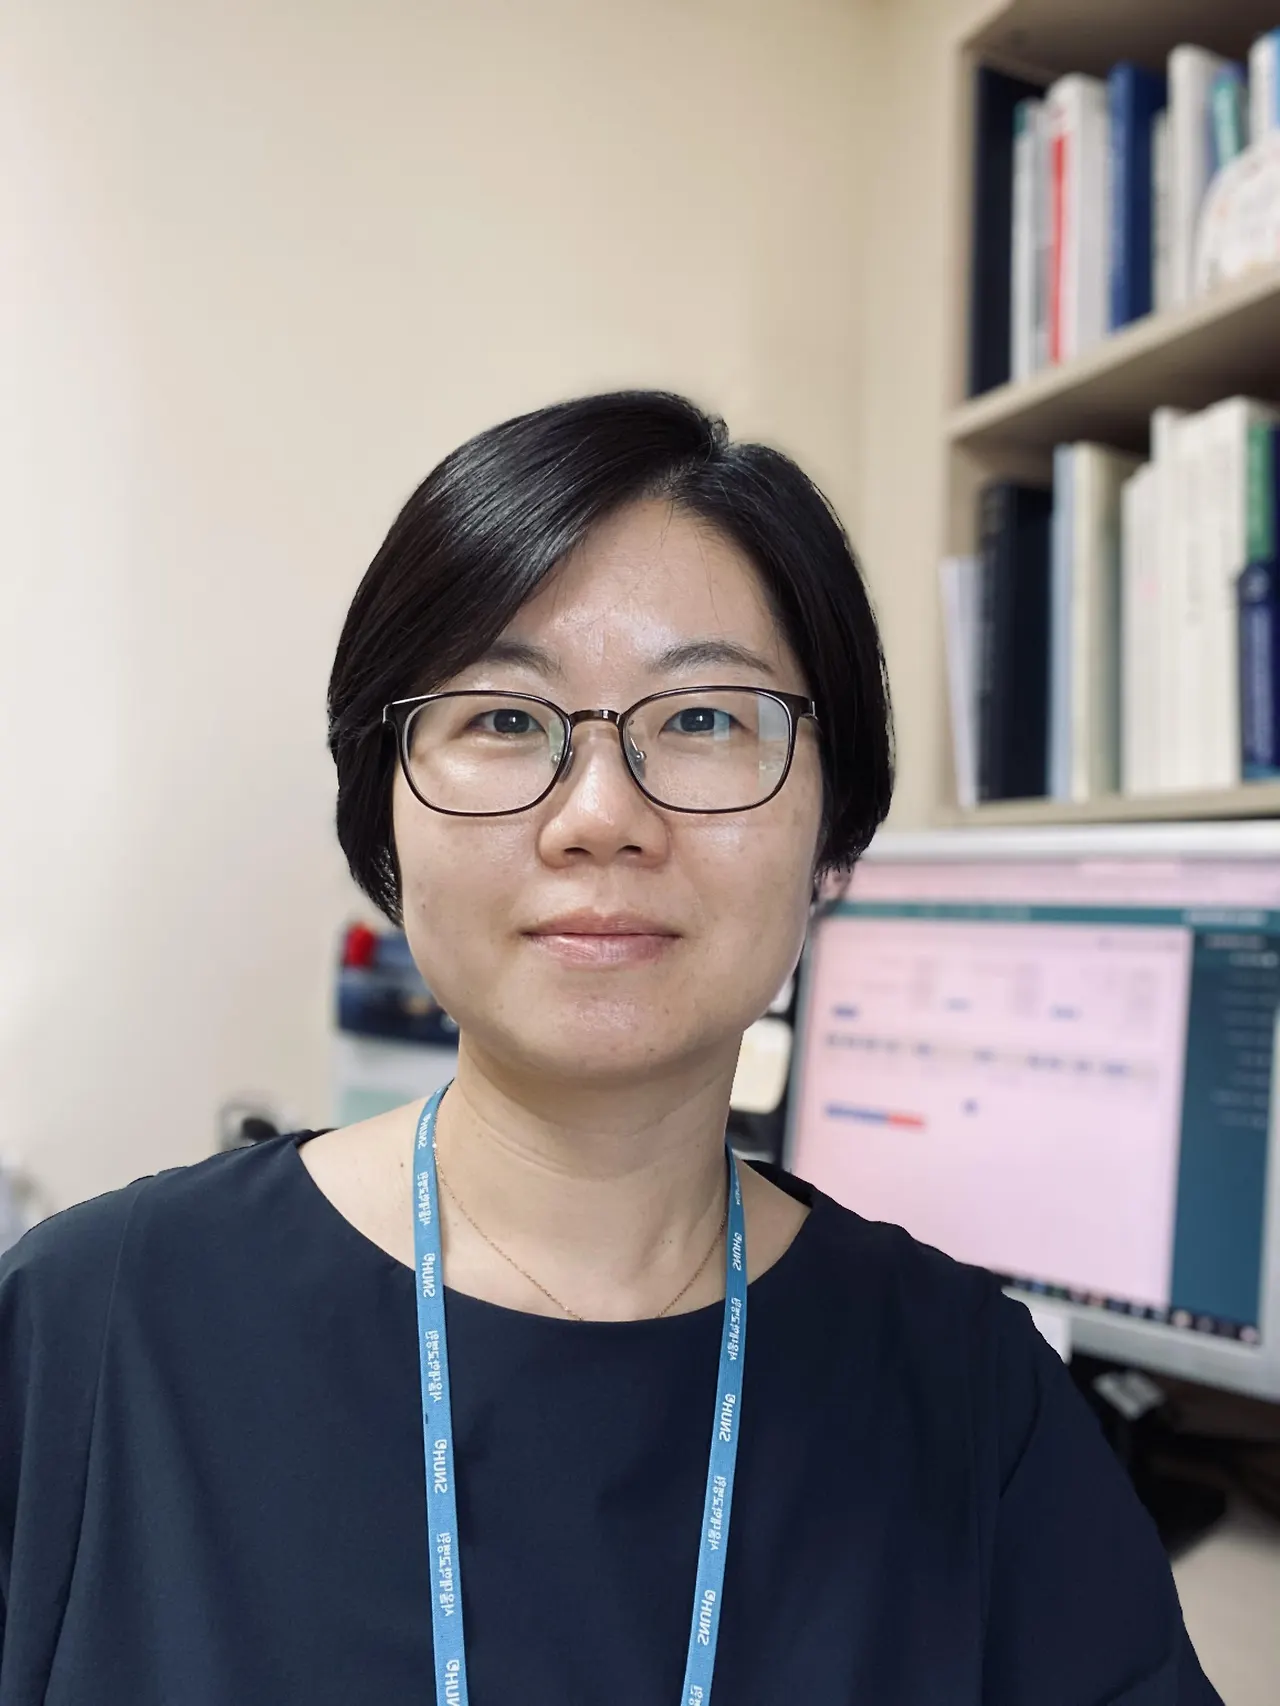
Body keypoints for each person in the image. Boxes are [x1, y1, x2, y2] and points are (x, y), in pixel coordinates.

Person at [0, 391, 1221, 1705]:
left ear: (833, 833)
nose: (600, 815)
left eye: (703, 719)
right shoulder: (90, 1329)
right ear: (383, 809)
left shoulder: (977, 1399)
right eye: (502, 717)